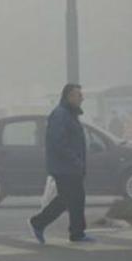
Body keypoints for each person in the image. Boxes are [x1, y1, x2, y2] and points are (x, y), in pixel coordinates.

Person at [28, 84, 94, 244]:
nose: (82, 98)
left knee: (72, 199)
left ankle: (76, 232)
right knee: (70, 198)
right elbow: (58, 143)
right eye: (79, 95)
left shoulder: (70, 115)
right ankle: (40, 222)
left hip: (71, 167)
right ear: (69, 97)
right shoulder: (60, 115)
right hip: (65, 167)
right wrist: (75, 160)